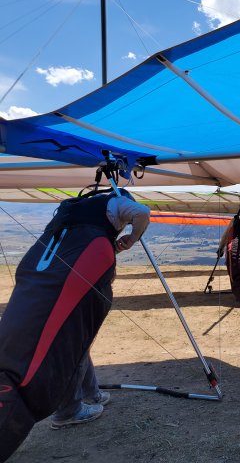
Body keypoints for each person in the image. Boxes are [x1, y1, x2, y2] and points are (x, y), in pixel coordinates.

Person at [0, 190, 150, 460]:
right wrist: (131, 238)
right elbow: (142, 213)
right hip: (71, 275)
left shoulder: (74, 208)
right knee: (68, 337)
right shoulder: (115, 202)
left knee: (78, 335)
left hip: (40, 268)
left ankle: (91, 393)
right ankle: (68, 411)